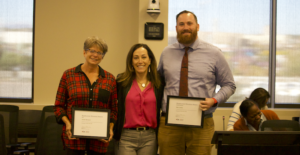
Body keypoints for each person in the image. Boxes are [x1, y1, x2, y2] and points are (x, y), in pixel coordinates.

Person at [157, 10, 236, 155]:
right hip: (170, 125)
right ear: (176, 28)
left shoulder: (214, 54)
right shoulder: (166, 53)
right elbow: (158, 84)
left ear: (197, 26)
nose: (185, 27)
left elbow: (229, 85)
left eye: (189, 23)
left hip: (202, 124)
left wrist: (214, 100)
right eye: (181, 24)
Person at [54, 36, 118, 155]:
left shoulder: (110, 79)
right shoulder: (68, 75)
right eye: (92, 51)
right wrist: (68, 124)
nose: (95, 55)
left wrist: (110, 128)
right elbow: (58, 106)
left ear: (103, 56)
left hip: (99, 143)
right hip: (74, 141)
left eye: (99, 52)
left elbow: (114, 110)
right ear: (84, 52)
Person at [113, 44, 163, 155]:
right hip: (125, 137)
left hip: (150, 137)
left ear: (150, 60)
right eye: (136, 58)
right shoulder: (121, 81)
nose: (140, 61)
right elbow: (113, 107)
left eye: (144, 57)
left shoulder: (159, 83)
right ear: (131, 61)